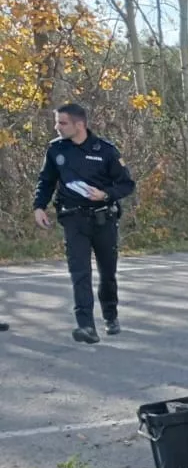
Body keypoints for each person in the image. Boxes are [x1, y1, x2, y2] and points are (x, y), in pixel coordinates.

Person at [32, 102, 136, 344]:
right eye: (57, 122)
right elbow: (46, 181)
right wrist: (39, 207)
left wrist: (106, 194)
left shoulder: (105, 150)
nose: (57, 127)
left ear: (79, 124)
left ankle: (110, 314)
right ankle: (86, 325)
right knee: (80, 272)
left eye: (62, 123)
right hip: (73, 218)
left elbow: (126, 184)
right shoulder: (56, 149)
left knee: (107, 272)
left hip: (103, 218)